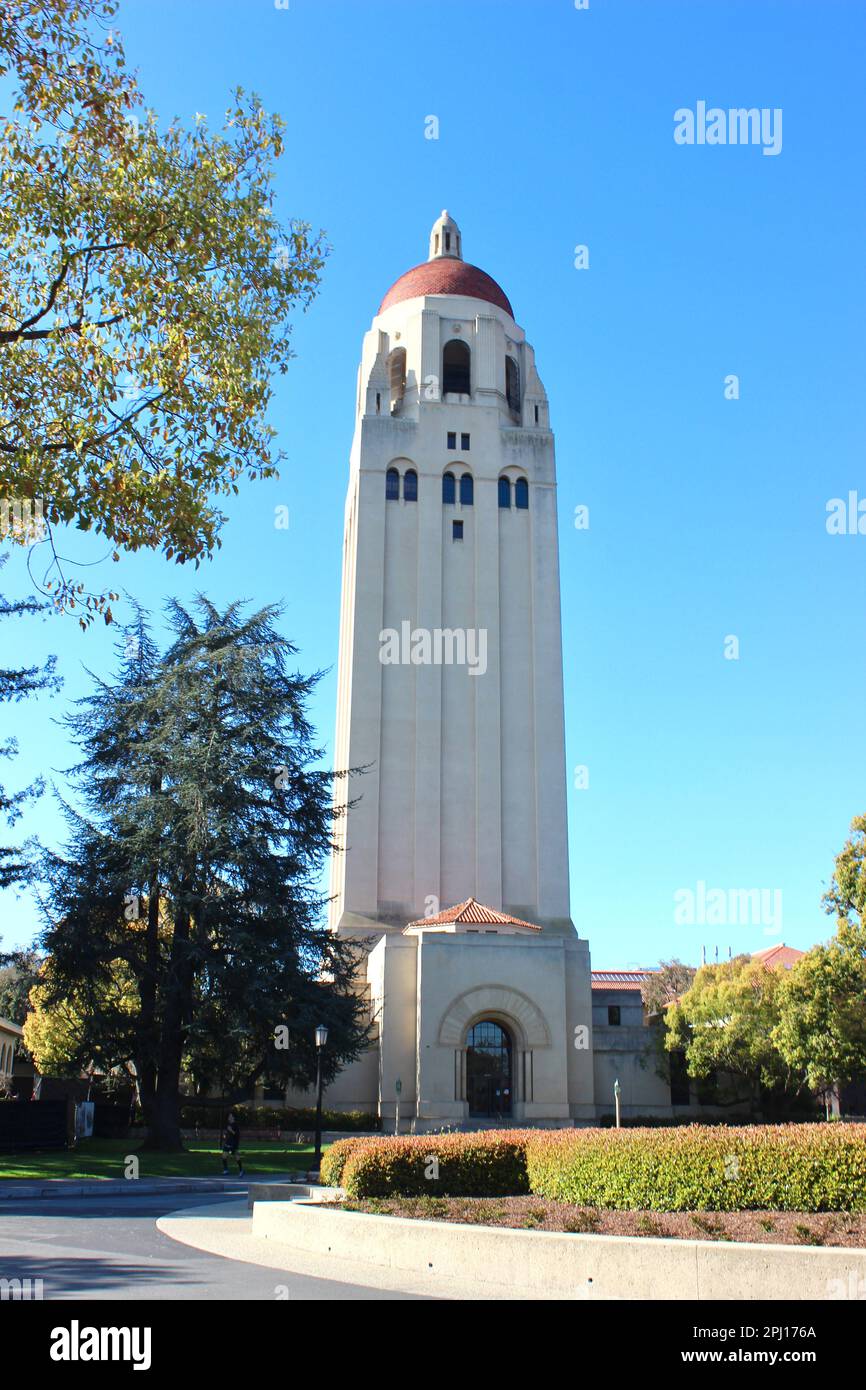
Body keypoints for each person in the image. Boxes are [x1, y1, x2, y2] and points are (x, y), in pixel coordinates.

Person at [221, 1111, 245, 1177]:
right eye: (229, 1116)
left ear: (233, 1117)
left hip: (234, 1143)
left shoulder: (235, 1125)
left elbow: (237, 1135)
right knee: (224, 1156)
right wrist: (225, 1135)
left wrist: (231, 1130)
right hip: (228, 1142)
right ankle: (226, 1170)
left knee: (237, 1157)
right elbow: (227, 1133)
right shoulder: (228, 1125)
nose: (229, 1117)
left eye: (231, 1116)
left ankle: (241, 1170)